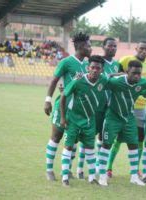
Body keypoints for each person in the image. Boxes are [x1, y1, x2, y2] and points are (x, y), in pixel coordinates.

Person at [44, 32, 91, 181]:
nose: (91, 49)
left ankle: (68, 169)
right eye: (89, 46)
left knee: (73, 140)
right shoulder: (66, 62)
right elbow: (54, 81)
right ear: (81, 47)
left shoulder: (87, 64)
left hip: (78, 109)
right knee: (56, 137)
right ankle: (49, 170)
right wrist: (47, 100)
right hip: (63, 106)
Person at [98, 60, 146, 186]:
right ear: (127, 72)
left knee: (133, 145)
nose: (137, 76)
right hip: (112, 117)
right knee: (106, 145)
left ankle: (134, 176)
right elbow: (102, 81)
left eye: (139, 74)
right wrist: (111, 75)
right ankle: (102, 176)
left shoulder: (142, 82)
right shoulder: (117, 82)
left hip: (129, 117)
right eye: (134, 73)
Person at [76, 37, 122, 179]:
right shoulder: (96, 61)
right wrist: (114, 75)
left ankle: (97, 168)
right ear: (103, 47)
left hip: (108, 107)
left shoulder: (117, 64)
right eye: (109, 46)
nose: (112, 48)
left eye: (114, 46)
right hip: (93, 105)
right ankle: (79, 168)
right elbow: (90, 77)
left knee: (102, 137)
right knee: (87, 136)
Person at [106, 41, 146, 177]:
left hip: (141, 106)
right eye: (142, 48)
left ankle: (135, 168)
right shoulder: (126, 60)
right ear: (136, 48)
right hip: (123, 104)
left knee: (139, 139)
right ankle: (108, 167)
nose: (144, 51)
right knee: (118, 139)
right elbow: (119, 76)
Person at [60, 55, 107, 187]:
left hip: (89, 121)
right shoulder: (78, 80)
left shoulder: (103, 80)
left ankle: (92, 178)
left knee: (90, 148)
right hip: (74, 119)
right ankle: (65, 177)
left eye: (98, 68)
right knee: (69, 146)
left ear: (102, 70)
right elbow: (63, 96)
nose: (95, 70)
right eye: (92, 67)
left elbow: (112, 78)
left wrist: (121, 74)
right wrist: (63, 118)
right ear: (88, 68)